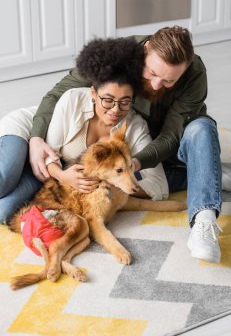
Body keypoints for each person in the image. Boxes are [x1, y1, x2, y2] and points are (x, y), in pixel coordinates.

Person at [0, 37, 169, 224]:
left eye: (124, 102)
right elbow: (48, 151)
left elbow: (159, 185)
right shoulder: (72, 100)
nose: (115, 110)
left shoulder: (134, 126)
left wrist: (118, 182)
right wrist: (64, 176)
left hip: (45, 173)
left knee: (5, 212)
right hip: (30, 135)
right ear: (93, 94)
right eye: (108, 100)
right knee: (5, 179)